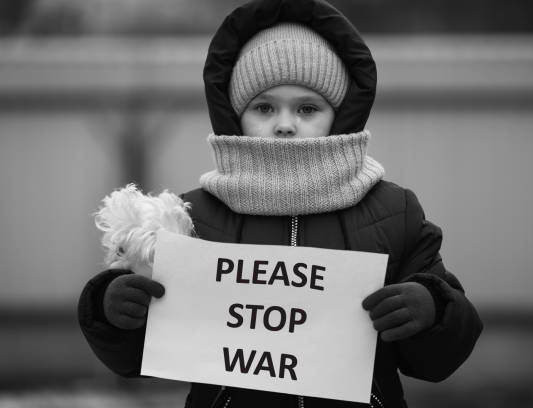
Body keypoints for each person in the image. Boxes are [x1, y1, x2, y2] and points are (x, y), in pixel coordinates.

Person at [78, 0, 483, 407]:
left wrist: (433, 308)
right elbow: (135, 361)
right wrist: (111, 309)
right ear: (235, 116)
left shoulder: (395, 212)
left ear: (340, 114)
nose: (285, 124)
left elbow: (437, 362)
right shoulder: (191, 217)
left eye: (308, 108)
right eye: (263, 107)